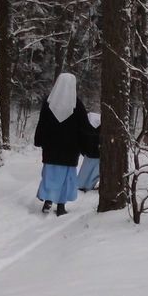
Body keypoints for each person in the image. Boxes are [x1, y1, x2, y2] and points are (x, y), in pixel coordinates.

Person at [33, 73, 94, 216]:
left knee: (50, 176)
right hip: (70, 151)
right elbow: (84, 129)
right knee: (67, 179)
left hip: (51, 150)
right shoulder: (77, 105)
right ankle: (61, 206)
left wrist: (39, 140)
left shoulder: (48, 103)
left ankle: (48, 201)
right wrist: (87, 147)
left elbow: (42, 125)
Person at [77, 111, 101, 193]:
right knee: (95, 172)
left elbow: (81, 140)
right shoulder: (103, 126)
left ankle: (80, 184)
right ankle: (89, 185)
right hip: (99, 153)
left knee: (85, 171)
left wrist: (83, 151)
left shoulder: (85, 125)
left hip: (88, 153)